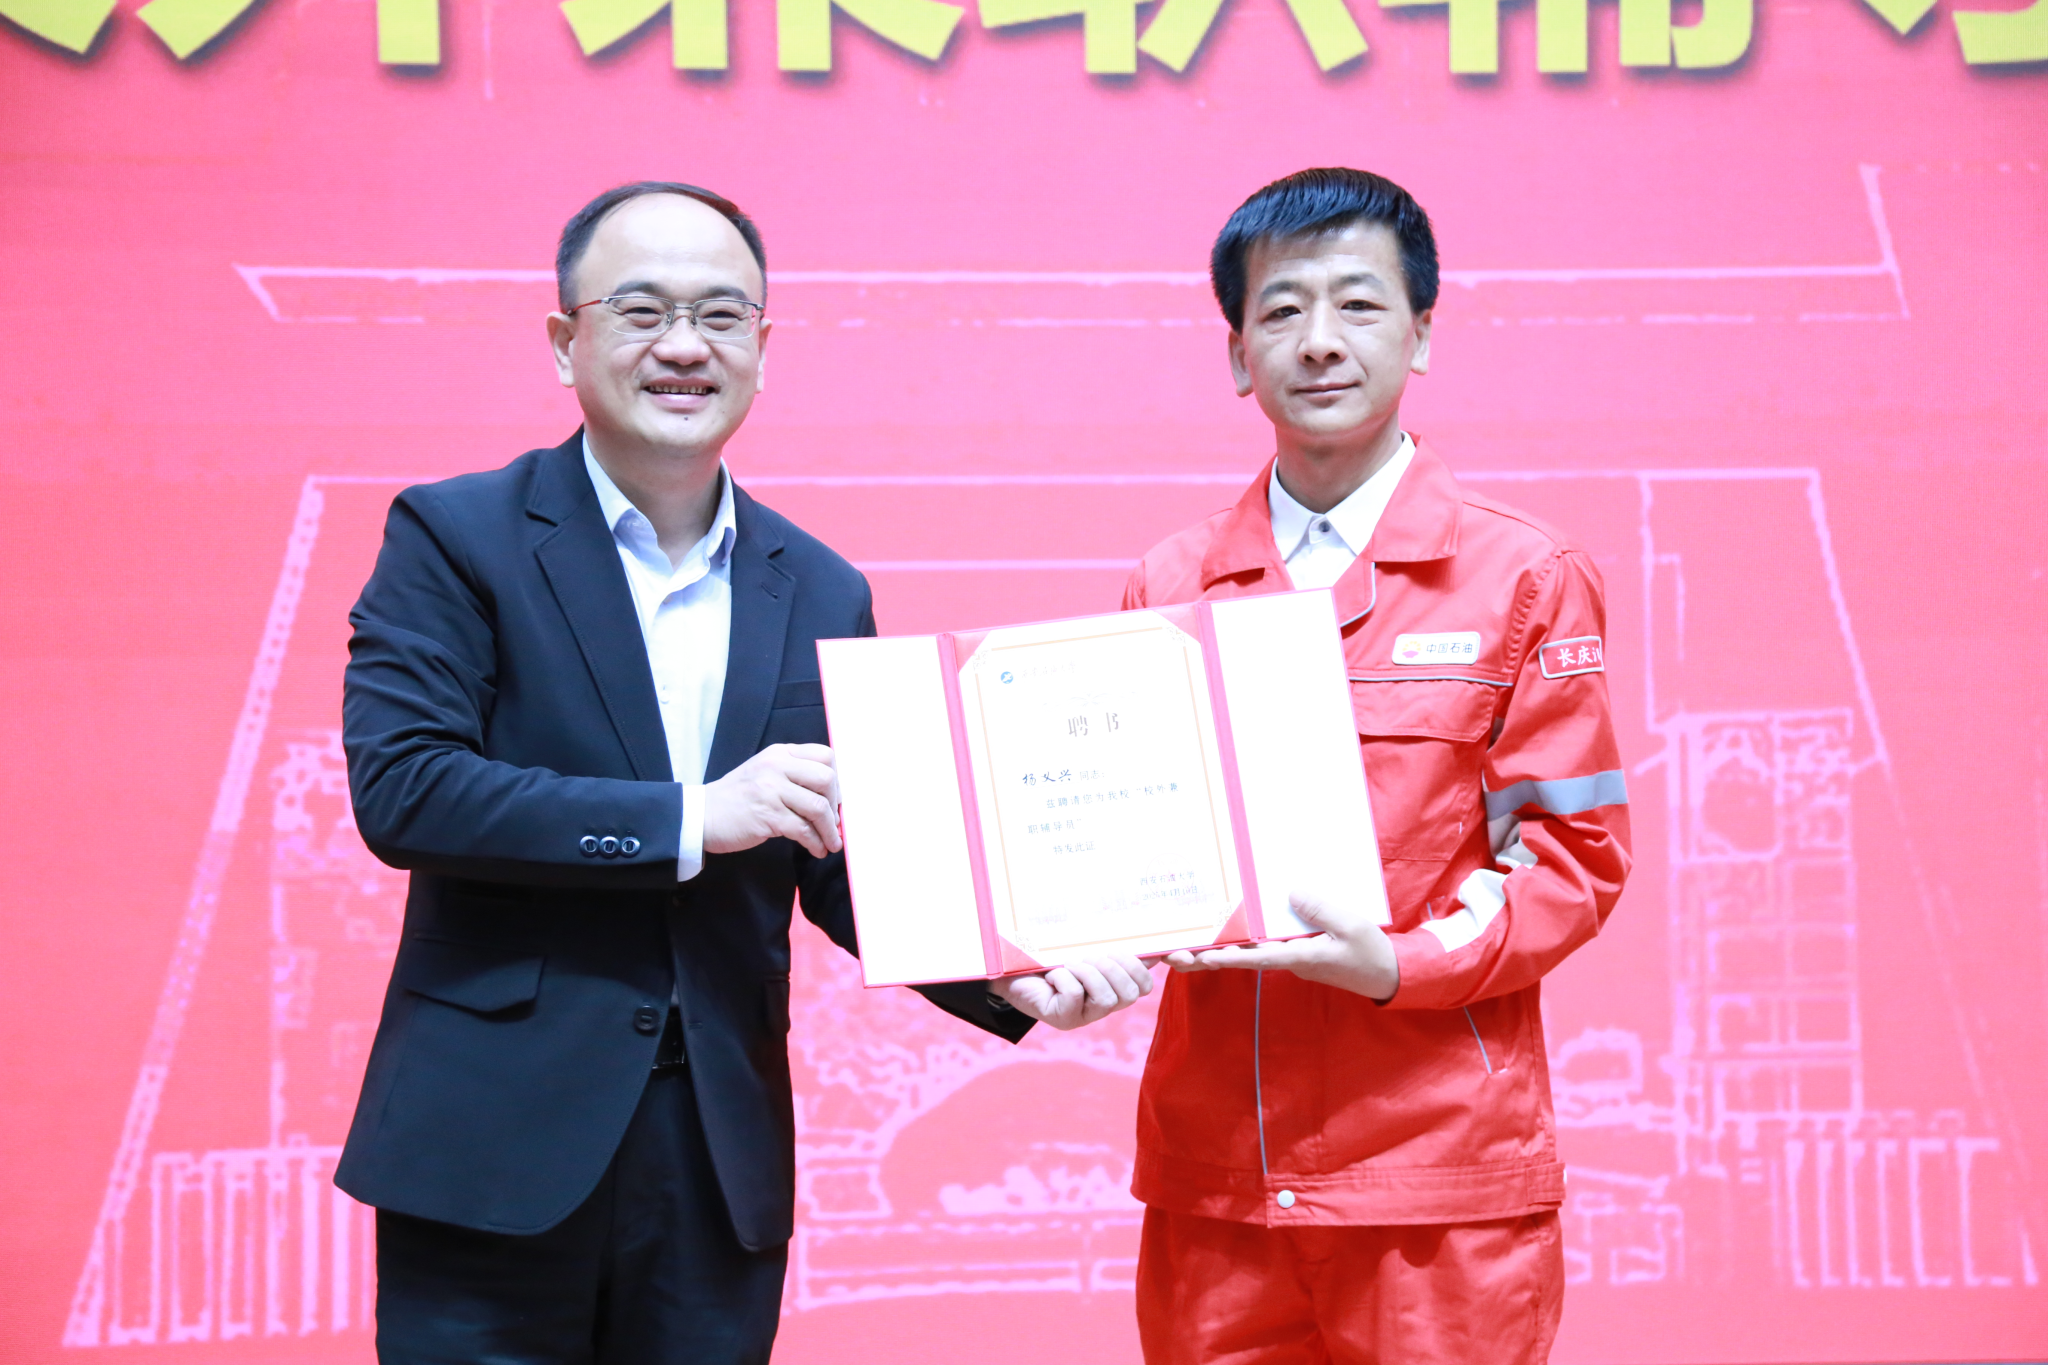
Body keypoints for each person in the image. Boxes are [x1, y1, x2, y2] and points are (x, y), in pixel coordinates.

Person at [334, 180, 1153, 1365]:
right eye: (641, 311)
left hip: (714, 1152)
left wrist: (1009, 965)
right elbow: (407, 789)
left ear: (762, 351)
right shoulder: (455, 536)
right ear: (564, 342)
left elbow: (842, 859)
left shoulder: (818, 587)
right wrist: (691, 818)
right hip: (492, 1142)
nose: (683, 346)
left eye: (720, 316)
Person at [1123, 169, 1632, 1364]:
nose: (1318, 341)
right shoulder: (1169, 583)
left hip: (1436, 1183)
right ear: (1236, 355)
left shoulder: (1524, 576)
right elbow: (1138, 846)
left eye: (1357, 304)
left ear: (1421, 334)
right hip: (1217, 1184)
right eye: (1279, 310)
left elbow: (1572, 863)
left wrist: (1398, 965)